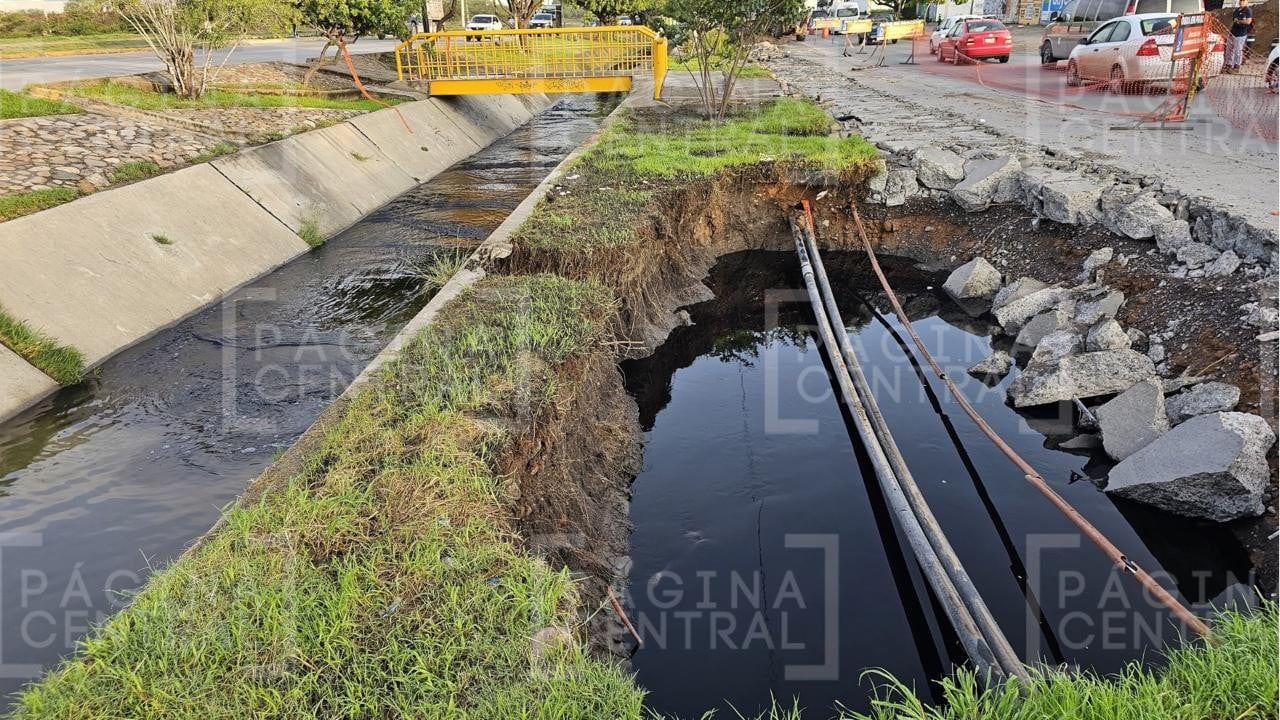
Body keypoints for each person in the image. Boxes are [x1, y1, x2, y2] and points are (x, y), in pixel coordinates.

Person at [1225, 0, 1252, 73]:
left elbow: (1248, 21)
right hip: (1232, 32)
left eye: (1243, 1)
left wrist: (1239, 21)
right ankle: (1229, 64)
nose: (1241, 2)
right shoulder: (1236, 11)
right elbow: (1234, 20)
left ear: (1247, 2)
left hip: (1241, 34)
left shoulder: (1247, 10)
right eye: (1240, 1)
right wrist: (1239, 20)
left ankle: (1237, 66)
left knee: (1238, 50)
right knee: (1229, 50)